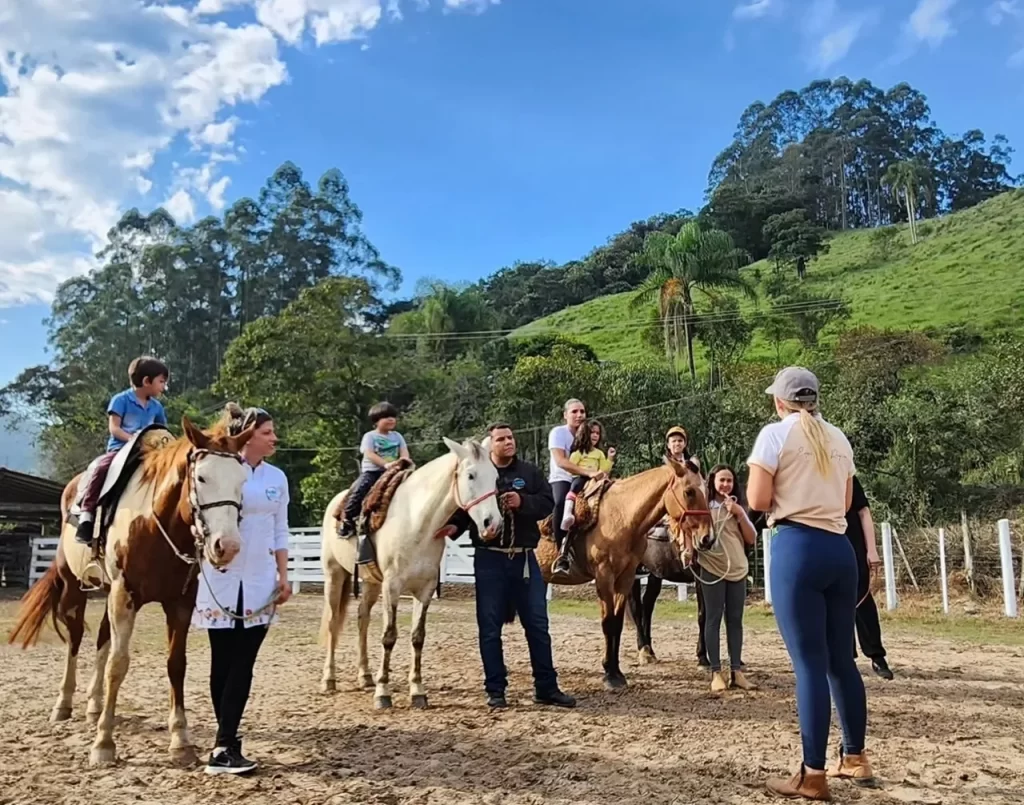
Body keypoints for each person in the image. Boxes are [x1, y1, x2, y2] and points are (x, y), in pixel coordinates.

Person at [746, 366, 875, 799]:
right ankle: (854, 757)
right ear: (815, 400)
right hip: (840, 551)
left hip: (797, 547)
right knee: (842, 660)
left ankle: (813, 773)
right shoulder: (837, 438)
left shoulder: (774, 435)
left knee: (808, 665)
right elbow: (843, 500)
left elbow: (759, 501)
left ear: (779, 401)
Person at [193, 405, 292, 775]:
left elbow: (281, 529)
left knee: (244, 661)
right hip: (220, 575)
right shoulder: (221, 468)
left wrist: (284, 576)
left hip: (260, 579)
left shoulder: (277, 478)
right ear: (248, 435)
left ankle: (224, 743)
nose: (274, 438)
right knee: (222, 661)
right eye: (267, 432)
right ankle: (226, 744)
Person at [451, 422, 576, 710]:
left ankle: (546, 687)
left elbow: (547, 503)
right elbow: (463, 505)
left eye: (510, 437)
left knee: (538, 625)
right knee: (490, 628)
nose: (509, 442)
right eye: (501, 439)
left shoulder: (529, 472)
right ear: (490, 445)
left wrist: (523, 502)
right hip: (489, 559)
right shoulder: (481, 472)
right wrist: (452, 528)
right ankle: (495, 690)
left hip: (524, 559)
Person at [74, 356, 169, 544]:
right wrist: (134, 441)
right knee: (101, 468)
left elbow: (163, 431)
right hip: (121, 449)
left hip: (149, 452)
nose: (163, 387)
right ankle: (87, 514)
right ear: (146, 381)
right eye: (161, 382)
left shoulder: (156, 407)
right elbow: (115, 429)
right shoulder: (120, 400)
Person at [700, 464, 757, 692]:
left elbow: (751, 538)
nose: (725, 484)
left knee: (735, 620)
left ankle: (736, 671)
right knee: (712, 619)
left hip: (738, 568)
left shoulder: (738, 508)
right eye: (721, 480)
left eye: (729, 481)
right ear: (712, 481)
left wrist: (740, 514)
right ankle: (716, 672)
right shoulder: (703, 507)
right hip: (711, 567)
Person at [340, 402, 411, 560]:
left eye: (393, 416)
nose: (391, 420)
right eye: (386, 417)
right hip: (374, 471)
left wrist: (405, 461)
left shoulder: (397, 436)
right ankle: (348, 518)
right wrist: (386, 464)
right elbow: (369, 454)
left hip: (395, 471)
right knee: (360, 489)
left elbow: (404, 452)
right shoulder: (370, 436)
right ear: (376, 421)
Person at [847, 474, 893, 680]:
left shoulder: (847, 476)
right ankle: (846, 656)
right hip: (829, 544)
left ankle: (876, 655)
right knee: (835, 603)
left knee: (863, 600)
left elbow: (864, 512)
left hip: (854, 545)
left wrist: (872, 550)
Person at [547, 398, 600, 576]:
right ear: (565, 415)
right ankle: (560, 552)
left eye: (582, 412)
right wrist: (587, 472)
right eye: (574, 412)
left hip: (586, 479)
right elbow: (561, 461)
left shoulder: (588, 434)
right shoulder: (558, 433)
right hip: (563, 478)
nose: (579, 415)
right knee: (560, 503)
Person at [560, 418, 616, 532]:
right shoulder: (578, 453)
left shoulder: (599, 453)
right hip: (581, 477)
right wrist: (585, 472)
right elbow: (571, 468)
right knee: (575, 486)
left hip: (596, 479)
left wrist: (610, 458)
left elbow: (604, 469)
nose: (595, 435)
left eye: (597, 433)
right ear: (585, 434)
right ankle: (567, 513)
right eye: (592, 432)